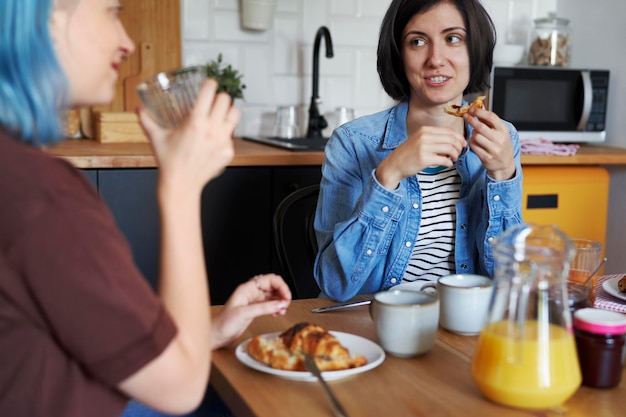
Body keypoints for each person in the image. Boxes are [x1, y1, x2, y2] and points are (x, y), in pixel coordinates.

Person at [0, 1, 291, 417]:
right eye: (111, 12)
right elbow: (182, 390)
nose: (127, 42)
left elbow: (70, 334)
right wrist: (181, 185)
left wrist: (205, 332)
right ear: (47, 16)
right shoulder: (44, 196)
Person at [313, 0, 523, 302]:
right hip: (374, 323)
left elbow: (510, 281)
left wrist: (503, 176)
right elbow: (335, 283)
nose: (436, 59)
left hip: (463, 325)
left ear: (474, 50)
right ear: (399, 57)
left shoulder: (503, 139)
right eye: (417, 41)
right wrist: (389, 175)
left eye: (453, 38)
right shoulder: (352, 143)